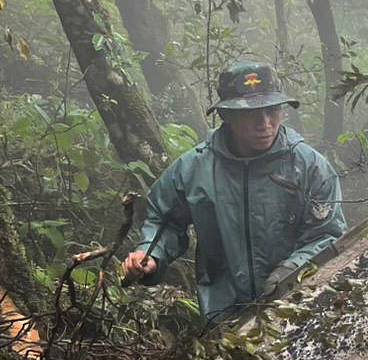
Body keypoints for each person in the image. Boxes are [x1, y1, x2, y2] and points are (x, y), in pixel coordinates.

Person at [122, 61, 347, 321]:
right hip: (223, 315)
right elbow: (164, 221)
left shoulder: (309, 166)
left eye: (272, 110)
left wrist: (290, 271)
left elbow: (327, 234)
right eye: (251, 114)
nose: (264, 124)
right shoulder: (194, 168)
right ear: (226, 115)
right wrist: (150, 254)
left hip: (298, 306)